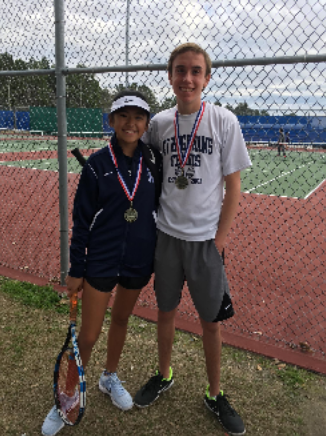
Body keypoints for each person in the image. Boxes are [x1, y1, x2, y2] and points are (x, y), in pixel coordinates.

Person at [133, 43, 252, 436]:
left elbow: (233, 187)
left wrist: (220, 239)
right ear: (170, 76)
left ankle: (214, 393)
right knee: (164, 312)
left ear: (207, 78)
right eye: (180, 70)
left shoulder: (223, 121)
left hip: (205, 243)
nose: (187, 78)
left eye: (195, 71)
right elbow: (144, 169)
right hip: (166, 236)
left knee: (211, 323)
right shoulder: (159, 124)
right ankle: (164, 373)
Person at [42, 90, 162, 436]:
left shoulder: (153, 161)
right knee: (89, 334)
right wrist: (76, 269)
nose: (131, 123)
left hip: (139, 259)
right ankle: (66, 396)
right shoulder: (96, 164)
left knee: (121, 320)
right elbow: (81, 223)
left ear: (146, 124)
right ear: (111, 121)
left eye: (138, 117)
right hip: (101, 260)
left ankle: (109, 377)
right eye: (123, 116)